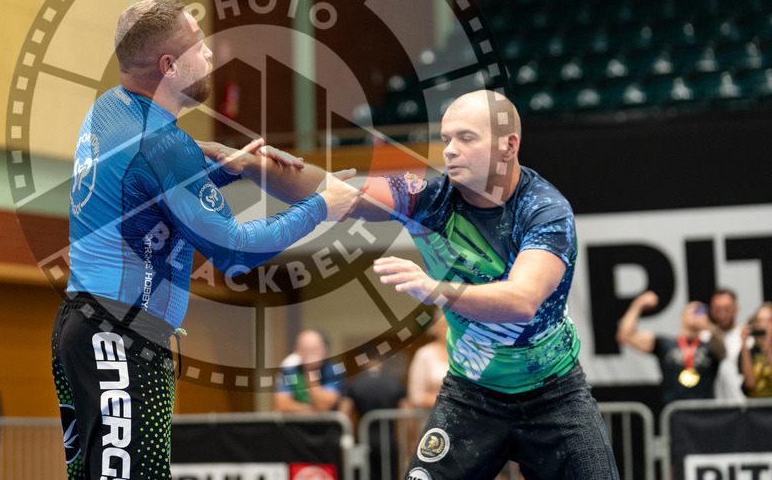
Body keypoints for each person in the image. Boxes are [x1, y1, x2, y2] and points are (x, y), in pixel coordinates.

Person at [207, 89, 618, 477]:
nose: (450, 149)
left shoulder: (544, 211)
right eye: (446, 138)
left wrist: (436, 290)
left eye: (466, 138)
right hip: (472, 395)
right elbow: (335, 192)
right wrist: (254, 168)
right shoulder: (429, 198)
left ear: (509, 146)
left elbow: (523, 300)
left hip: (554, 396)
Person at [54, 0, 366, 480]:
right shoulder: (163, 144)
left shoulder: (110, 109)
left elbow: (148, 180)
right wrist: (325, 205)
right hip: (122, 335)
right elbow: (235, 250)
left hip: (84, 326)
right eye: (199, 44)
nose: (211, 55)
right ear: (169, 66)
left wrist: (229, 166)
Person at [616, 291, 725, 404]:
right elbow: (625, 336)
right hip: (675, 412)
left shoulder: (711, 345)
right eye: (693, 310)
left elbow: (723, 353)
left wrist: (709, 326)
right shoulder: (665, 344)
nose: (696, 314)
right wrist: (637, 305)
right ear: (682, 317)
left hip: (706, 411)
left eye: (700, 311)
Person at [338, 352, 408, 480]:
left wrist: (346, 438)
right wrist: (409, 440)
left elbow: (344, 413)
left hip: (364, 440)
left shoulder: (355, 383)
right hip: (389, 440)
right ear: (380, 360)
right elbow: (407, 415)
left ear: (363, 361)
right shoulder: (394, 381)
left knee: (365, 476)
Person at [274, 330, 343, 413]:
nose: (311, 354)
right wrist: (314, 411)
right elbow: (282, 405)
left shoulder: (333, 371)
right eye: (306, 350)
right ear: (296, 351)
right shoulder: (289, 372)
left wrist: (311, 374)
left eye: (315, 349)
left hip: (326, 425)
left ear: (325, 350)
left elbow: (324, 406)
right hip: (294, 424)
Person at [407, 308, 449, 410]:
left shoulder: (463, 352)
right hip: (433, 416)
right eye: (444, 324)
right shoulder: (425, 354)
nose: (448, 328)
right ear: (435, 327)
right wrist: (448, 401)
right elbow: (416, 395)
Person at [709, 287, 746, 402]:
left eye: (727, 309)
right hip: (712, 406)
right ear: (710, 310)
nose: (722, 314)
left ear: (736, 308)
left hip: (742, 403)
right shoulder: (704, 337)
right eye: (717, 309)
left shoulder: (746, 336)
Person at [739, 301, 772, 397]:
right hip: (756, 408)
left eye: (769, 320)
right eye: (761, 320)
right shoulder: (749, 352)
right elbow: (750, 384)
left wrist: (768, 349)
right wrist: (744, 344)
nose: (764, 325)